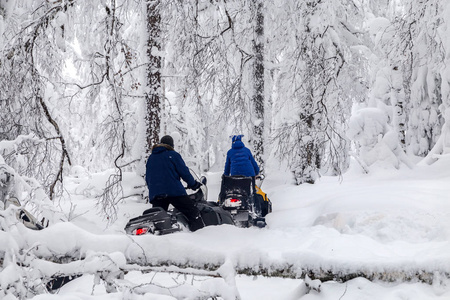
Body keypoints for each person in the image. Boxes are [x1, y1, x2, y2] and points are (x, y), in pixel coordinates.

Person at [145, 135, 204, 231]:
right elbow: (184, 173)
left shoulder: (151, 158)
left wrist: (155, 189)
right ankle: (199, 236)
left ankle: (159, 240)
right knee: (193, 213)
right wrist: (193, 184)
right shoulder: (173, 155)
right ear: (171, 145)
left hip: (156, 194)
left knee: (158, 221)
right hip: (174, 192)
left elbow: (148, 178)